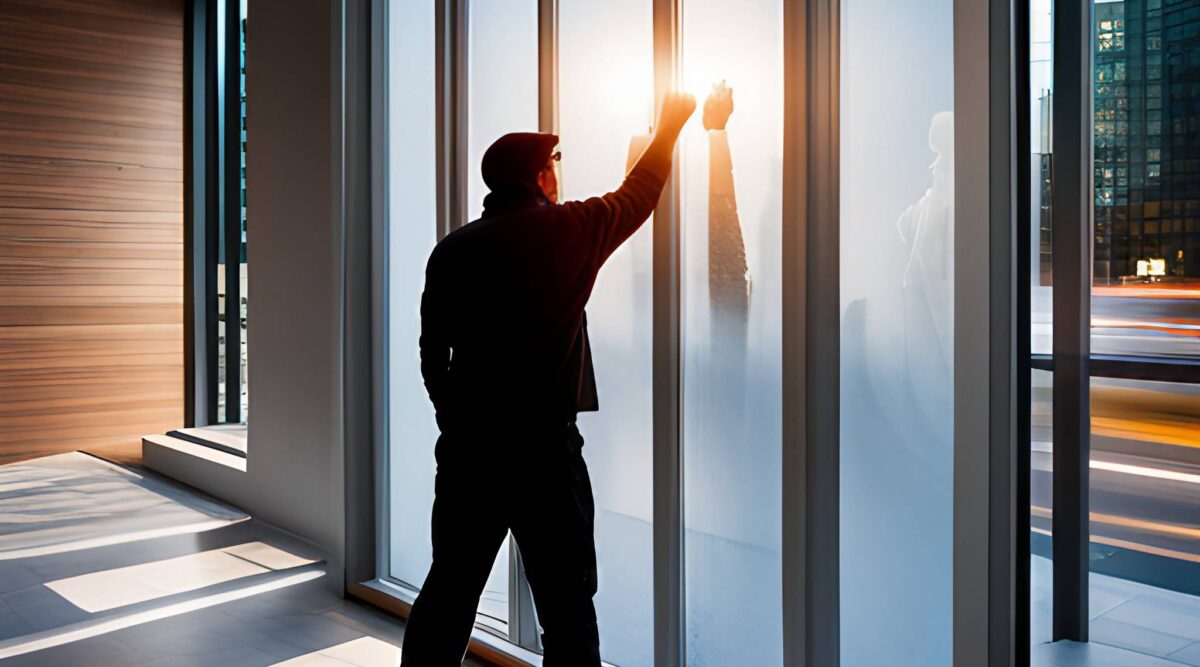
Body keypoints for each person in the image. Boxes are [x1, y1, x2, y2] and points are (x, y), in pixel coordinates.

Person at [400, 92, 697, 667]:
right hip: (544, 453)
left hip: (469, 452)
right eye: (556, 164)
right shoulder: (568, 230)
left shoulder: (451, 251)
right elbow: (640, 193)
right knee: (566, 607)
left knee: (449, 595)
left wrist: (456, 420)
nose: (561, 174)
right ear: (540, 175)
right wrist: (670, 127)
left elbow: (432, 356)